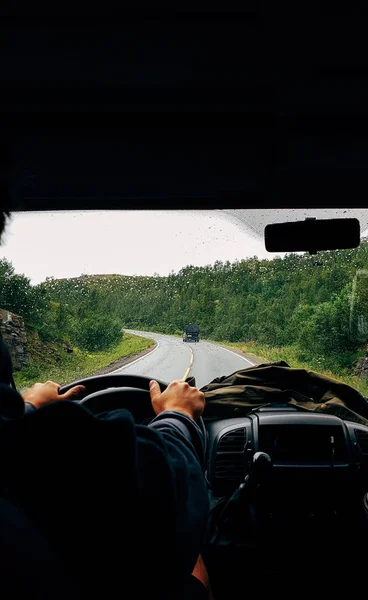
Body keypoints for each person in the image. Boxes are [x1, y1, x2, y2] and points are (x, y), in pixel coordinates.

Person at [0, 211, 211, 600]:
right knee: (190, 554)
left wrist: (26, 409)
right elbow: (169, 493)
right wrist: (177, 416)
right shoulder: (44, 444)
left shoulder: (18, 435)